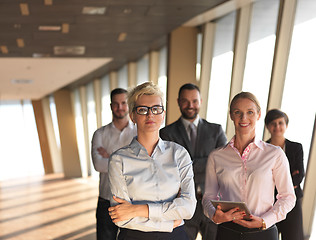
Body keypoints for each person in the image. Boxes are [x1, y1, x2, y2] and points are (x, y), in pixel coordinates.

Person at [108, 82, 196, 240]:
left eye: (156, 109)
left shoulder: (179, 154)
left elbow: (188, 208)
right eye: (142, 110)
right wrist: (167, 224)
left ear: (163, 114)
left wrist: (137, 210)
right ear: (132, 116)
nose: (150, 115)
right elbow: (121, 217)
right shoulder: (118, 160)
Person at [202, 92, 296, 240]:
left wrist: (265, 221)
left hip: (263, 232)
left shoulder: (275, 154)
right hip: (227, 232)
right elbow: (208, 197)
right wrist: (213, 215)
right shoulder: (216, 156)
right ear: (231, 115)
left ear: (258, 115)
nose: (243, 118)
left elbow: (288, 197)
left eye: (250, 112)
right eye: (237, 112)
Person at [160, 83, 227, 240]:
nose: (190, 105)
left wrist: (187, 164)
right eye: (185, 101)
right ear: (178, 102)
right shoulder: (166, 133)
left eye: (194, 101)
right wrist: (209, 161)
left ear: (201, 101)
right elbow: (169, 168)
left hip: (213, 203)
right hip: (181, 202)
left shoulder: (215, 130)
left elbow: (224, 163)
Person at [91, 88, 137, 240]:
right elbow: (99, 165)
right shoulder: (100, 134)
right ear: (111, 106)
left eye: (123, 103)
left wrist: (110, 157)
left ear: (128, 105)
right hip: (106, 200)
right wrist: (129, 160)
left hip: (134, 199)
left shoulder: (138, 132)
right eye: (116, 104)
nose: (120, 107)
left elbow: (143, 165)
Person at [265, 109, 305, 240]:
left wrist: (277, 182)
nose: (277, 127)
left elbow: (299, 175)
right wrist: (287, 180)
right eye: (273, 123)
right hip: (269, 203)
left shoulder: (296, 147)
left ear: (286, 125)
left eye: (280, 123)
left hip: (292, 202)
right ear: (267, 127)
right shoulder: (262, 149)